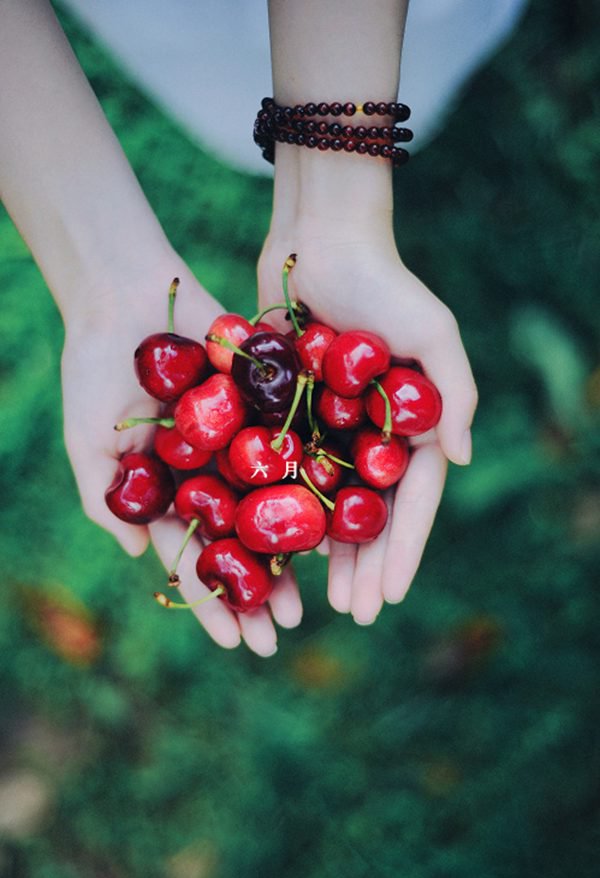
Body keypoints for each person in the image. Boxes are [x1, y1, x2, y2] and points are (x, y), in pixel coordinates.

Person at [0, 0, 477, 656]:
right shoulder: (278, 430)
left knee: (416, 59)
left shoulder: (290, 426)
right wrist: (99, 279)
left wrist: (336, 205)